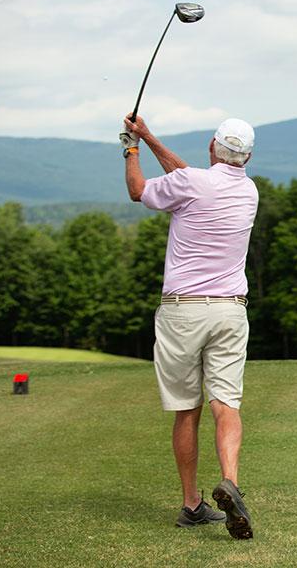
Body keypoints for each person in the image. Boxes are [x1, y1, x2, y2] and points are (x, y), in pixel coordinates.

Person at [121, 114, 259, 539]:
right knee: (226, 403)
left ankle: (191, 504)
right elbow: (190, 178)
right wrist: (150, 137)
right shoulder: (249, 190)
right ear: (248, 157)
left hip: (182, 312)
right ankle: (230, 481)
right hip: (230, 310)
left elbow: (139, 191)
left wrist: (132, 148)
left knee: (187, 409)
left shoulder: (194, 182)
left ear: (213, 147)